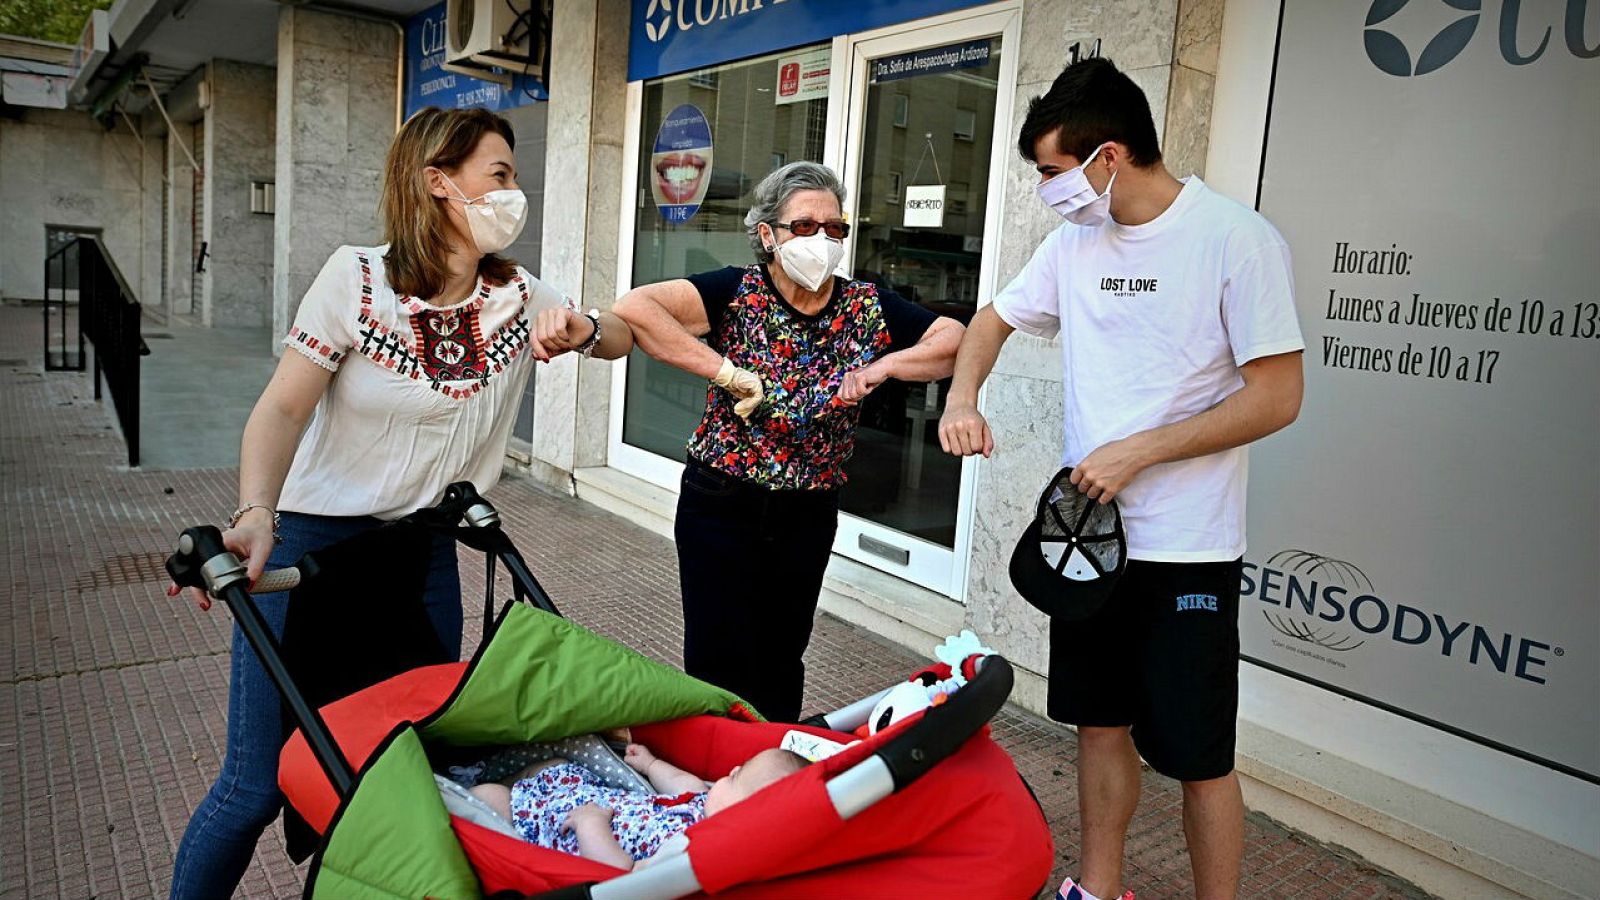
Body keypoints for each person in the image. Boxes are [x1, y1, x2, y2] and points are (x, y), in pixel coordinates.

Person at [165, 106, 634, 899]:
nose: (513, 193)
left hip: (422, 555)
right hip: (310, 554)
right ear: (438, 182)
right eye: (500, 174)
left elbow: (619, 334)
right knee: (253, 786)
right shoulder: (356, 279)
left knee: (407, 761)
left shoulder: (516, 294)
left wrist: (584, 327)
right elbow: (281, 410)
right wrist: (254, 515)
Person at [938, 59, 1304, 900]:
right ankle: (1097, 890)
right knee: (1099, 728)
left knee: (1198, 756)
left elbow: (1279, 397)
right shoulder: (1075, 244)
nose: (1048, 191)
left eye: (1054, 172)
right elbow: (992, 321)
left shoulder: (1235, 240)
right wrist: (964, 397)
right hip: (1087, 547)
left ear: (1109, 155)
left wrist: (1139, 451)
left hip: (1190, 547)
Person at [613, 162, 965, 723]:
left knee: (781, 656)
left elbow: (953, 340)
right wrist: (728, 373)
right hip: (721, 499)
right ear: (767, 235)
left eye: (834, 228)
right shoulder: (735, 290)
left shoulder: (866, 307)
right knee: (717, 656)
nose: (821, 240)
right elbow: (636, 308)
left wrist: (885, 366)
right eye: (804, 227)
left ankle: (770, 774)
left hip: (807, 506)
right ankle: (714, 778)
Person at [469, 743, 807, 869]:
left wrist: (590, 825)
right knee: (553, 761)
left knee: (488, 798)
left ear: (739, 818)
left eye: (738, 778)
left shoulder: (684, 852)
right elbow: (679, 781)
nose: (731, 770)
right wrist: (649, 764)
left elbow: (621, 874)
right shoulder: (702, 801)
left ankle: (467, 786)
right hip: (588, 794)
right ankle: (487, 771)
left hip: (563, 829)